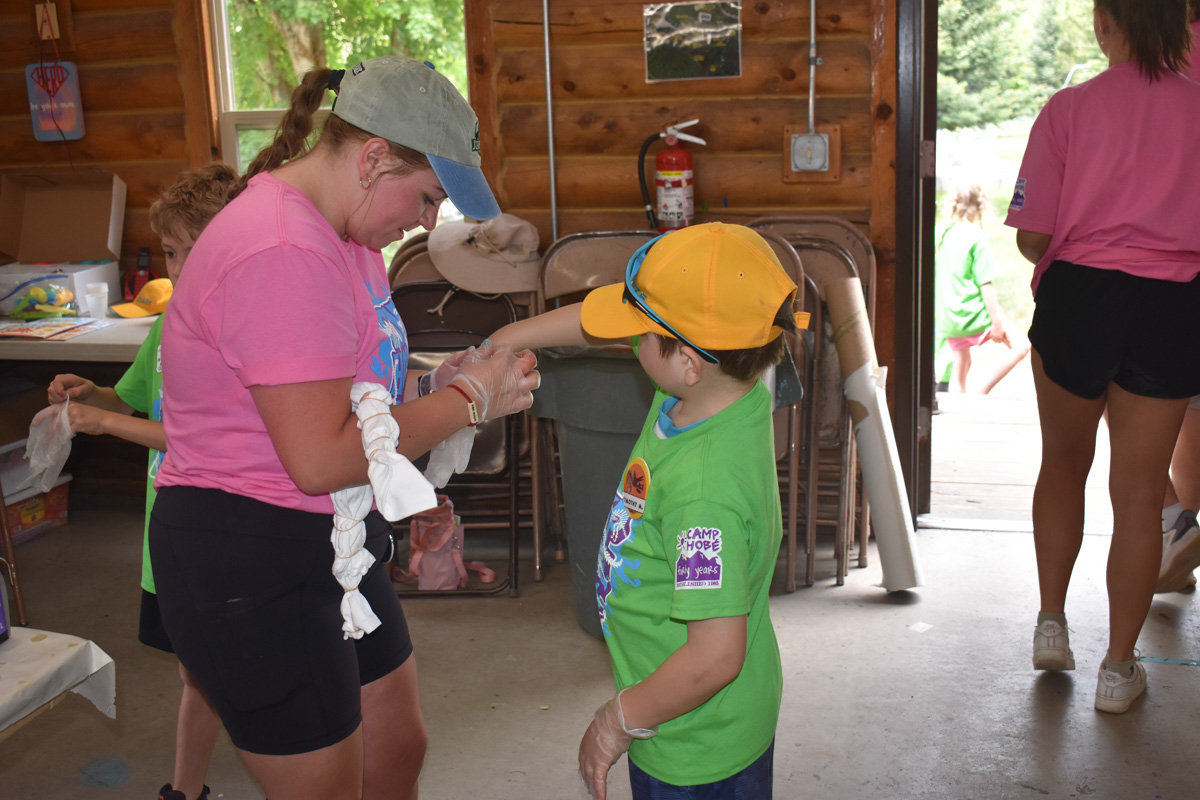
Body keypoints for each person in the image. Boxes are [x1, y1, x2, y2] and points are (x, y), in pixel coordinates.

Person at [147, 57, 539, 800]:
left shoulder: (348, 240)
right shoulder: (283, 248)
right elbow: (322, 457)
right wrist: (469, 402)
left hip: (332, 538)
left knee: (395, 751)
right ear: (372, 159)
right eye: (427, 197)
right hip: (249, 549)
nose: (427, 223)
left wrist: (434, 386)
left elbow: (354, 399)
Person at [492, 222, 798, 799]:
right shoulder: (716, 390)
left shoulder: (703, 496)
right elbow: (593, 324)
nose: (631, 338)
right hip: (688, 712)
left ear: (689, 361)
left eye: (643, 331)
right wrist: (505, 340)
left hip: (693, 740)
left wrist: (617, 721)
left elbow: (715, 657)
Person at [1005, 0, 1200, 714]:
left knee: (1063, 464)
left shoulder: (1069, 109)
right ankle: (1118, 671)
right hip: (1172, 304)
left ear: (1102, 22)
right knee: (1141, 495)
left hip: (1080, 300)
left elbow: (1032, 237)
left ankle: (1051, 626)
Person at [44, 162, 239, 800]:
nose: (174, 268)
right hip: (168, 535)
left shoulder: (232, 333)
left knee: (221, 672)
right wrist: (93, 394)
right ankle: (187, 789)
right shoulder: (167, 323)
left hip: (217, 531)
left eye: (184, 251)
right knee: (197, 674)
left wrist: (103, 423)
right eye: (169, 253)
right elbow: (136, 401)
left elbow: (195, 436)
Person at [1154, 0, 1200, 594]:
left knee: (1103, 384)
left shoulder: (1167, 50)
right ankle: (1177, 545)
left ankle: (1171, 525)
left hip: (1169, 264)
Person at [934, 183, 1030, 394]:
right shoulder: (977, 237)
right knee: (1021, 346)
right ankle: (980, 392)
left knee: (961, 365)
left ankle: (959, 406)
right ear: (981, 206)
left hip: (949, 319)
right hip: (973, 316)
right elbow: (985, 284)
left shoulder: (943, 235)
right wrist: (996, 323)